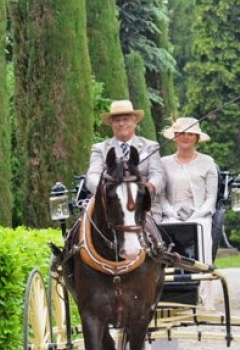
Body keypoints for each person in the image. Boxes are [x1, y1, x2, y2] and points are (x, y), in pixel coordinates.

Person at [160, 117, 218, 308]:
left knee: (199, 230)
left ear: (196, 138)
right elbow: (160, 196)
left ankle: (203, 296)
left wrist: (197, 213)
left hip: (200, 214)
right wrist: (171, 211)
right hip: (171, 214)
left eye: (190, 134)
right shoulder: (164, 163)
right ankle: (168, 293)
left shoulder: (208, 162)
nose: (185, 137)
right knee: (163, 233)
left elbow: (211, 197)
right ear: (175, 137)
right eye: (181, 133)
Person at [85, 100, 165, 220]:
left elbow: (158, 175)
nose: (121, 124)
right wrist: (104, 190)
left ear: (134, 122)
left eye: (126, 119)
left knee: (152, 236)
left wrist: (149, 187)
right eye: (117, 120)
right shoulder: (99, 149)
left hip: (144, 209)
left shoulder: (150, 146)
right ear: (111, 124)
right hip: (110, 209)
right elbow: (92, 176)